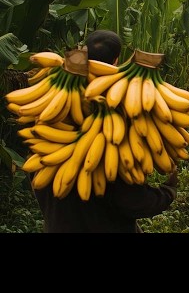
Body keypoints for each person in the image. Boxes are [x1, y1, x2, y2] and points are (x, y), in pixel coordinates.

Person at [32, 29, 178, 233]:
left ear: (84, 52)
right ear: (116, 61)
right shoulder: (119, 123)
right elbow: (133, 200)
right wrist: (168, 192)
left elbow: (38, 178)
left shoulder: (48, 114)